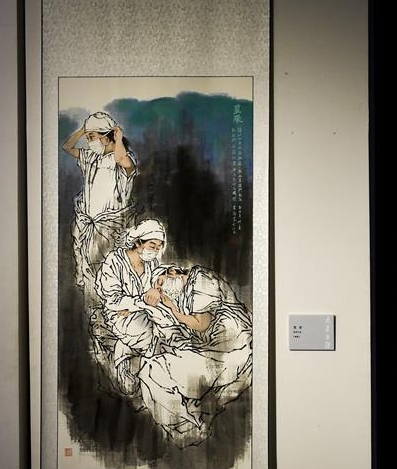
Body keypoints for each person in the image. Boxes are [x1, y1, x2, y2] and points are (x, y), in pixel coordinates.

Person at [138, 263, 253, 446]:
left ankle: (188, 429)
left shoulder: (200, 279)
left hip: (230, 347)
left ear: (172, 272)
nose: (161, 291)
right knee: (155, 369)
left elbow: (201, 324)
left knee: (153, 370)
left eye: (160, 283)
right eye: (158, 289)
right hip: (219, 350)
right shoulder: (186, 292)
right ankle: (188, 427)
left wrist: (173, 310)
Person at [62, 111, 138, 308]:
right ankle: (93, 311)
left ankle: (111, 309)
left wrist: (118, 138)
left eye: (92, 137)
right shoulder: (90, 157)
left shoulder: (123, 159)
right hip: (87, 223)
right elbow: (67, 147)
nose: (89, 142)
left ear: (106, 136)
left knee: (106, 270)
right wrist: (84, 130)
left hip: (110, 226)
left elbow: (121, 159)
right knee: (88, 272)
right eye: (88, 137)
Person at [94, 219, 170, 395]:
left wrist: (155, 293)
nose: (155, 251)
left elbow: (155, 291)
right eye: (152, 245)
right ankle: (132, 368)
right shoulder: (114, 261)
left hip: (144, 311)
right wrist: (142, 301)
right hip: (119, 316)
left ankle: (150, 373)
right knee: (152, 333)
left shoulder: (152, 264)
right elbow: (113, 300)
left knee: (169, 327)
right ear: (138, 242)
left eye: (159, 247)